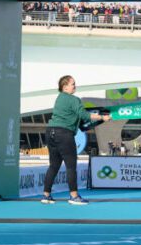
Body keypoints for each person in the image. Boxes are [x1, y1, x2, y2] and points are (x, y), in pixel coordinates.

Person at [41, 75, 109, 205]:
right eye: (73, 84)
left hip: (50, 132)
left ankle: (46, 195)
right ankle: (74, 196)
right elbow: (84, 115)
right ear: (65, 86)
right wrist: (102, 117)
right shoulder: (74, 99)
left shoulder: (59, 98)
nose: (75, 86)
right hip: (64, 133)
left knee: (54, 166)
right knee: (71, 166)